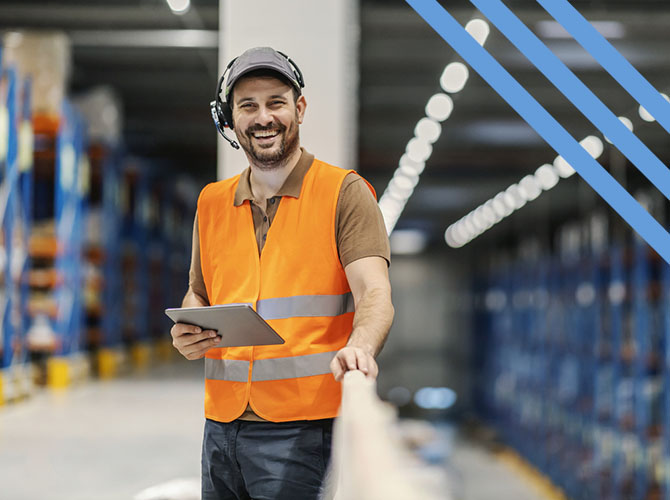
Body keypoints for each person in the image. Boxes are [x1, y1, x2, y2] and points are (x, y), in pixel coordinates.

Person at [170, 46, 394, 500]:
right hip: (220, 427)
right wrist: (190, 328)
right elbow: (198, 293)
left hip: (302, 433)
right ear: (230, 120)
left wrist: (362, 347)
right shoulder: (212, 202)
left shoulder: (343, 193)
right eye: (247, 106)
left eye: (276, 102)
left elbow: (375, 293)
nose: (263, 117)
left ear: (300, 108)